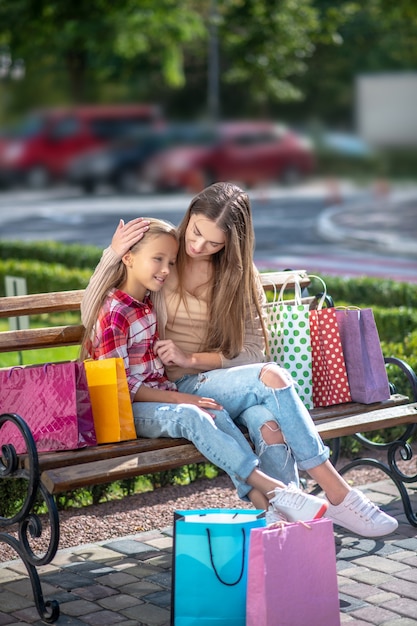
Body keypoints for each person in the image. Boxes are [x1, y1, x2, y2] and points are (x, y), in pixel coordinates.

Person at [81, 184, 398, 538]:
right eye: (197, 232)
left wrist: (193, 357)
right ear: (189, 217)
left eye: (214, 243)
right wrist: (113, 253)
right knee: (269, 398)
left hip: (219, 382)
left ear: (230, 245)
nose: (199, 246)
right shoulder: (163, 256)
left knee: (268, 400)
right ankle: (317, 509)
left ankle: (309, 516)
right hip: (172, 389)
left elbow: (253, 352)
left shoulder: (239, 277)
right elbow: (97, 312)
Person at [81, 216, 328, 523]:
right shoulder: (115, 312)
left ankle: (267, 510)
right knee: (194, 414)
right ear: (128, 258)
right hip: (129, 410)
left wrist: (187, 391)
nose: (166, 270)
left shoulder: (146, 303)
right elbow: (122, 388)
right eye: (157, 259)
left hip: (160, 396)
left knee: (214, 411)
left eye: (170, 262)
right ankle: (276, 489)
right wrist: (184, 399)